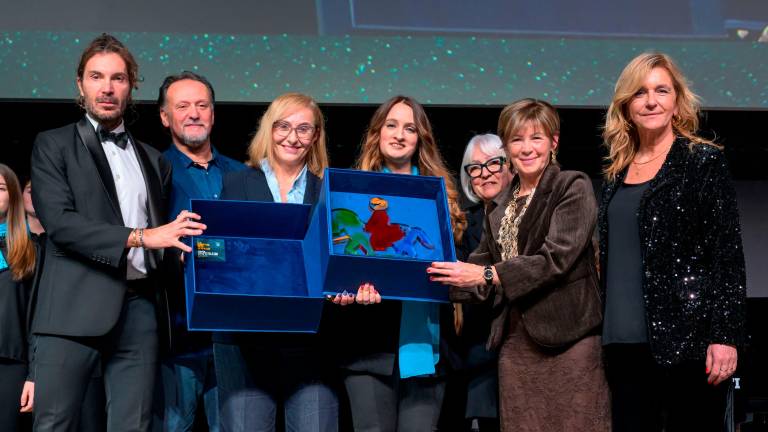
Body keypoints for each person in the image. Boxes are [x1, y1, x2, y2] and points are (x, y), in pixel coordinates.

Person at [29, 33, 206, 432]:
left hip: (141, 309)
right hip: (73, 308)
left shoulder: (154, 159)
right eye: (96, 77)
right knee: (55, 423)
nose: (107, 88)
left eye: (118, 78)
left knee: (135, 425)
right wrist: (142, 237)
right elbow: (60, 224)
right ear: (81, 84)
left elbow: (164, 235)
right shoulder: (53, 145)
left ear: (131, 87)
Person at [429, 98, 609, 431]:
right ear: (507, 147)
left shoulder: (572, 186)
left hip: (571, 340)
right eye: (517, 139)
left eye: (536, 138)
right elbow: (475, 274)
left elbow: (556, 258)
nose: (526, 148)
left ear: (553, 142)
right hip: (515, 346)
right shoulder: (498, 207)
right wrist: (418, 273)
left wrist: (486, 273)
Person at [599, 52, 747, 432]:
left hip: (689, 343)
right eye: (640, 93)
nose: (651, 101)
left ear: (677, 102)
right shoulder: (616, 172)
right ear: (626, 106)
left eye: (661, 90)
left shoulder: (702, 162)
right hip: (621, 344)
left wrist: (724, 337)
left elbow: (726, 256)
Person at [335, 95, 467, 432]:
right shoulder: (351, 194)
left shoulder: (442, 197)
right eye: (391, 126)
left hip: (427, 349)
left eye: (409, 128)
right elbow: (338, 269)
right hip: (367, 349)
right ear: (377, 134)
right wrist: (347, 292)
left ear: (420, 138)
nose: (399, 135)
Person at [214, 92, 338, 432]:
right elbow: (224, 254)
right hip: (244, 341)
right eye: (283, 126)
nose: (292, 137)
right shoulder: (236, 182)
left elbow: (335, 259)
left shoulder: (329, 192)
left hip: (311, 341)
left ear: (315, 136)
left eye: (303, 129)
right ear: (268, 130)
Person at [155, 71, 244, 432]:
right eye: (183, 106)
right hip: (178, 336)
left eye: (202, 105)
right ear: (165, 117)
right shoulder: (152, 171)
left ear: (213, 113)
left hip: (235, 335)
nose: (194, 113)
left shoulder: (242, 175)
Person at [447, 134, 512, 431]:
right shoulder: (462, 223)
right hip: (478, 352)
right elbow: (457, 284)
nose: (484, 173)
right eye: (475, 167)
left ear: (510, 166)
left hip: (526, 345)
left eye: (493, 163)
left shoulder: (531, 211)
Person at [0, 164, 36, 432]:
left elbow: (39, 318)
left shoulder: (30, 248)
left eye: (0, 188)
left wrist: (35, 376)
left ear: (12, 195)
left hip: (11, 365)